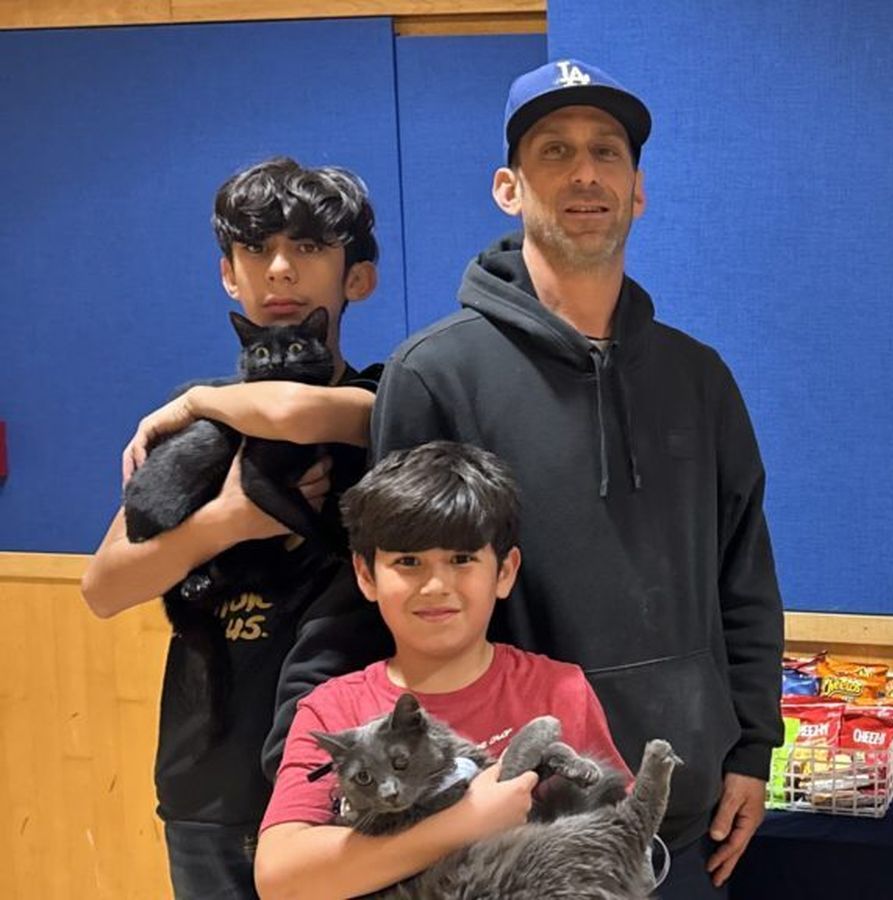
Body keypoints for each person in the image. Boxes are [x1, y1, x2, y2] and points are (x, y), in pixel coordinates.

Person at [355, 58, 784, 896]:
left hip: (679, 822)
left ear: (638, 189)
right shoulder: (435, 376)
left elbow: (745, 575)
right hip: (511, 845)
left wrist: (752, 747)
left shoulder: (700, 379)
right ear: (508, 188)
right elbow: (398, 610)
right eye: (554, 152)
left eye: (607, 152)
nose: (585, 173)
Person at [79, 157, 385, 899]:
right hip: (207, 781)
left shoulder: (389, 403)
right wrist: (227, 521)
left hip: (354, 780)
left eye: (308, 248)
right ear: (228, 276)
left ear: (358, 277)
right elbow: (104, 587)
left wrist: (192, 402)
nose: (279, 270)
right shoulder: (200, 423)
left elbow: (292, 413)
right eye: (255, 250)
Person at [253, 440, 631, 898]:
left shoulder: (557, 688)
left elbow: (617, 839)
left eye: (462, 559)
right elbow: (280, 879)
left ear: (505, 571)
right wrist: (467, 822)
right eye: (408, 562)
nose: (435, 586)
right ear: (367, 575)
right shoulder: (333, 709)